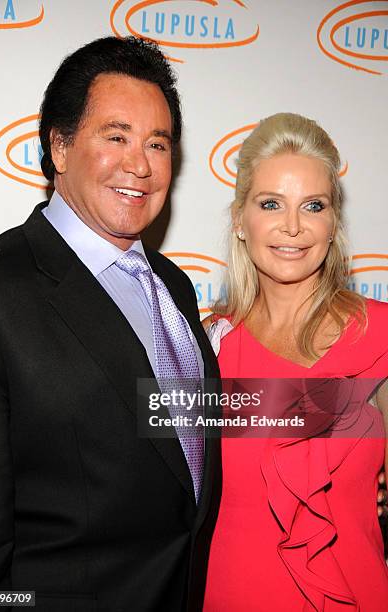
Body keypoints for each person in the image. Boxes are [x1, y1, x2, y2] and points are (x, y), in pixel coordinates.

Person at [0, 36, 221, 612]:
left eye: (158, 144)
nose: (140, 164)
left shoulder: (173, 285)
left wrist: (355, 414)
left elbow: (182, 449)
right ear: (59, 147)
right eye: (116, 137)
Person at [202, 113, 388, 611]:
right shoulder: (208, 346)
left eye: (313, 205)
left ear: (333, 223)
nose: (292, 226)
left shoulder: (382, 338)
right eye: (270, 204)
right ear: (241, 221)